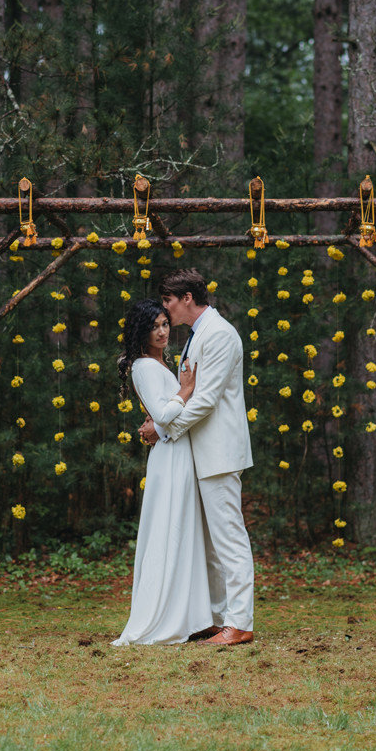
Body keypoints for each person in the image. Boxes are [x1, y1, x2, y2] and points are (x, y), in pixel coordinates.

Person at [139, 269, 255, 647]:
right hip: (200, 453)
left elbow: (205, 399)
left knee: (229, 538)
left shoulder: (219, 334)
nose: (166, 310)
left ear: (187, 297)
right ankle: (219, 618)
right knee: (210, 544)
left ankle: (240, 622)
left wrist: (164, 428)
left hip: (218, 450)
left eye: (169, 302)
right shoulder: (196, 335)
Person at [111, 299, 213, 646]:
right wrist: (185, 391)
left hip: (178, 451)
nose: (162, 332)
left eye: (165, 325)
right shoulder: (143, 366)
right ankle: (161, 615)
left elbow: (163, 420)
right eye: (154, 326)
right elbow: (163, 413)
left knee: (183, 529)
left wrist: (160, 423)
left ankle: (190, 614)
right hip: (169, 458)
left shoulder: (161, 364)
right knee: (168, 529)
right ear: (142, 331)